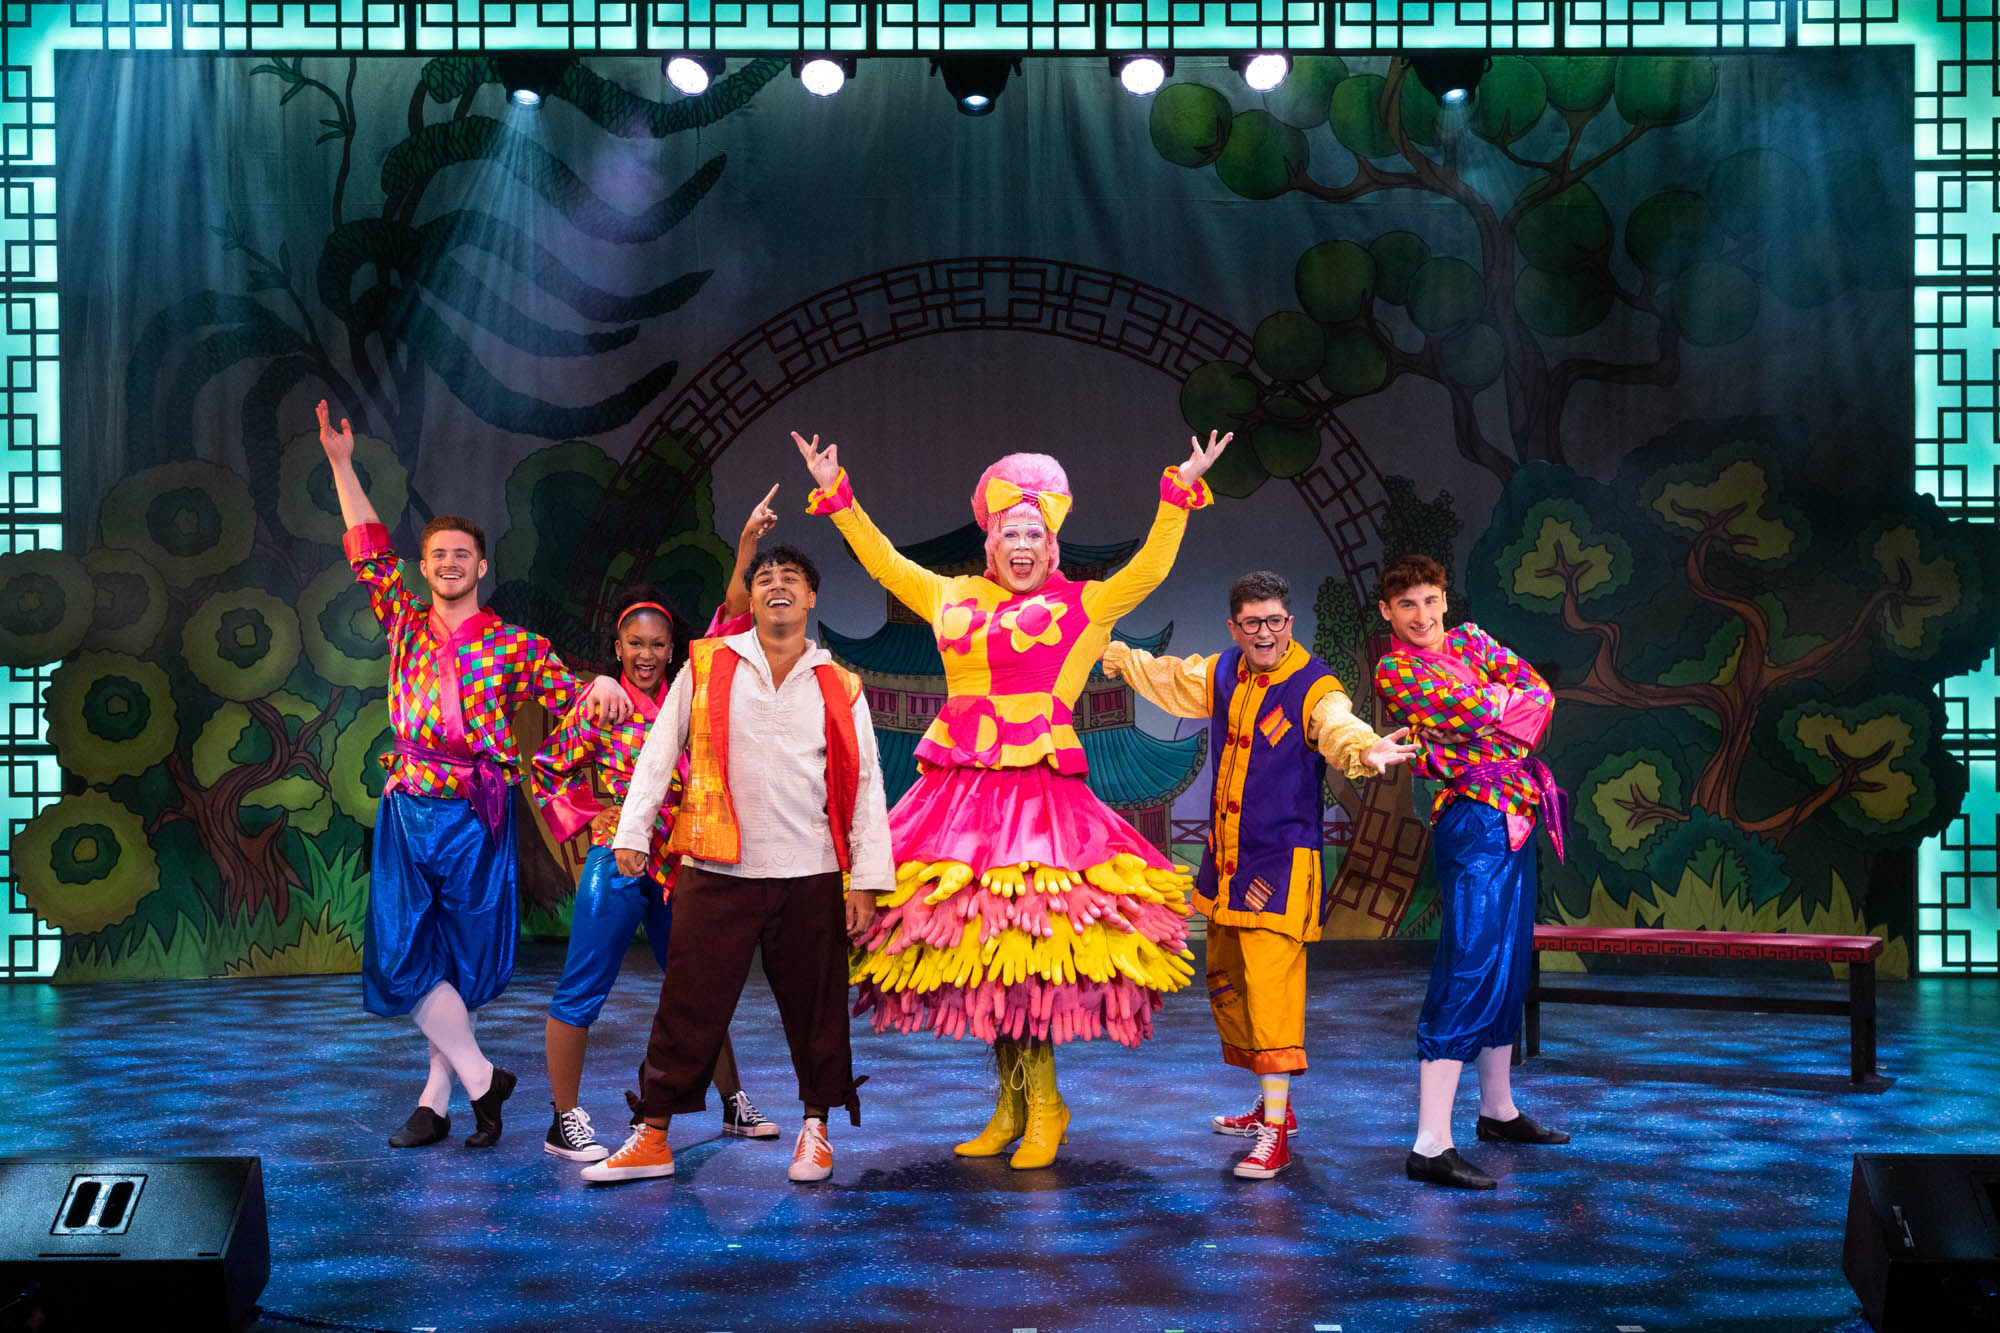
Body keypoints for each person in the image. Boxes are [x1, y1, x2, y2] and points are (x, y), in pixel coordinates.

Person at [799, 428, 1230, 1170]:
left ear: (1051, 545)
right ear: (991, 544)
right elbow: (885, 562)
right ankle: (1011, 1103)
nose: (1022, 545)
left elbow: (1151, 569)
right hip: (960, 799)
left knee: (1029, 951)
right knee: (985, 954)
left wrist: (1179, 492)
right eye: (1010, 533)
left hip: (1038, 802)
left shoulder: (1084, 606)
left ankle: (1047, 1105)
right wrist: (838, 495)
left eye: (1034, 533)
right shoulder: (951, 596)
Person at [314, 400, 631, 1150]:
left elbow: (572, 699)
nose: (450, 564)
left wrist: (603, 684)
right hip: (409, 806)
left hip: (478, 811)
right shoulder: (403, 621)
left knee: (461, 955)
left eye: (463, 554)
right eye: (438, 555)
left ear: (482, 567)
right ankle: (484, 1079)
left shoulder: (517, 644)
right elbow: (367, 548)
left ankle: (437, 1099)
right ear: (424, 567)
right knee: (402, 954)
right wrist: (340, 463)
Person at [581, 544, 894, 1185]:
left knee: (816, 1009)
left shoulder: (840, 685)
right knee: (687, 1004)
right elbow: (659, 750)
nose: (778, 586)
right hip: (718, 868)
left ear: (810, 598)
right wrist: (633, 831)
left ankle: (816, 1129)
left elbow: (865, 785)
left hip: (808, 870)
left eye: (791, 578)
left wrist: (865, 880)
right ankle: (654, 1135)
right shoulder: (709, 663)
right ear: (750, 598)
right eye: (765, 578)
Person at [1103, 569, 1416, 1179]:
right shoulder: (1223, 672)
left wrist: (1366, 750)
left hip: (1281, 863)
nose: (1265, 633)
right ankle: (1275, 1109)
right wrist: (1111, 653)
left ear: (1289, 622)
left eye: (1275, 621)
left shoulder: (1313, 685)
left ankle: (1276, 1136)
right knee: (1233, 983)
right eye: (1252, 623)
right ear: (1234, 627)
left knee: (1273, 995)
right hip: (1228, 863)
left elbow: (1338, 726)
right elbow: (1169, 677)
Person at [530, 488, 788, 1161]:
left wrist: (747, 545)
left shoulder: (691, 692)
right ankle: (564, 1118)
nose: (646, 654)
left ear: (674, 647)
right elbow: (546, 770)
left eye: (657, 644)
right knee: (582, 986)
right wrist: (594, 817)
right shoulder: (601, 706)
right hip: (619, 861)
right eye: (634, 643)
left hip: (681, 864)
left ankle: (732, 1102)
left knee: (703, 987)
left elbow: (734, 615)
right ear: (618, 645)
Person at [1373, 554, 1570, 1191]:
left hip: (1516, 813)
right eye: (1407, 605)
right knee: (1470, 962)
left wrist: (1499, 709)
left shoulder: (1470, 639)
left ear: (1444, 599)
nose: (1422, 616)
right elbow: (1475, 712)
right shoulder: (1397, 670)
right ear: (1388, 611)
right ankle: (1431, 1142)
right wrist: (1500, 708)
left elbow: (1538, 697)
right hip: (1474, 818)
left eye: (1430, 600)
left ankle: (1498, 1110)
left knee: (1509, 959)